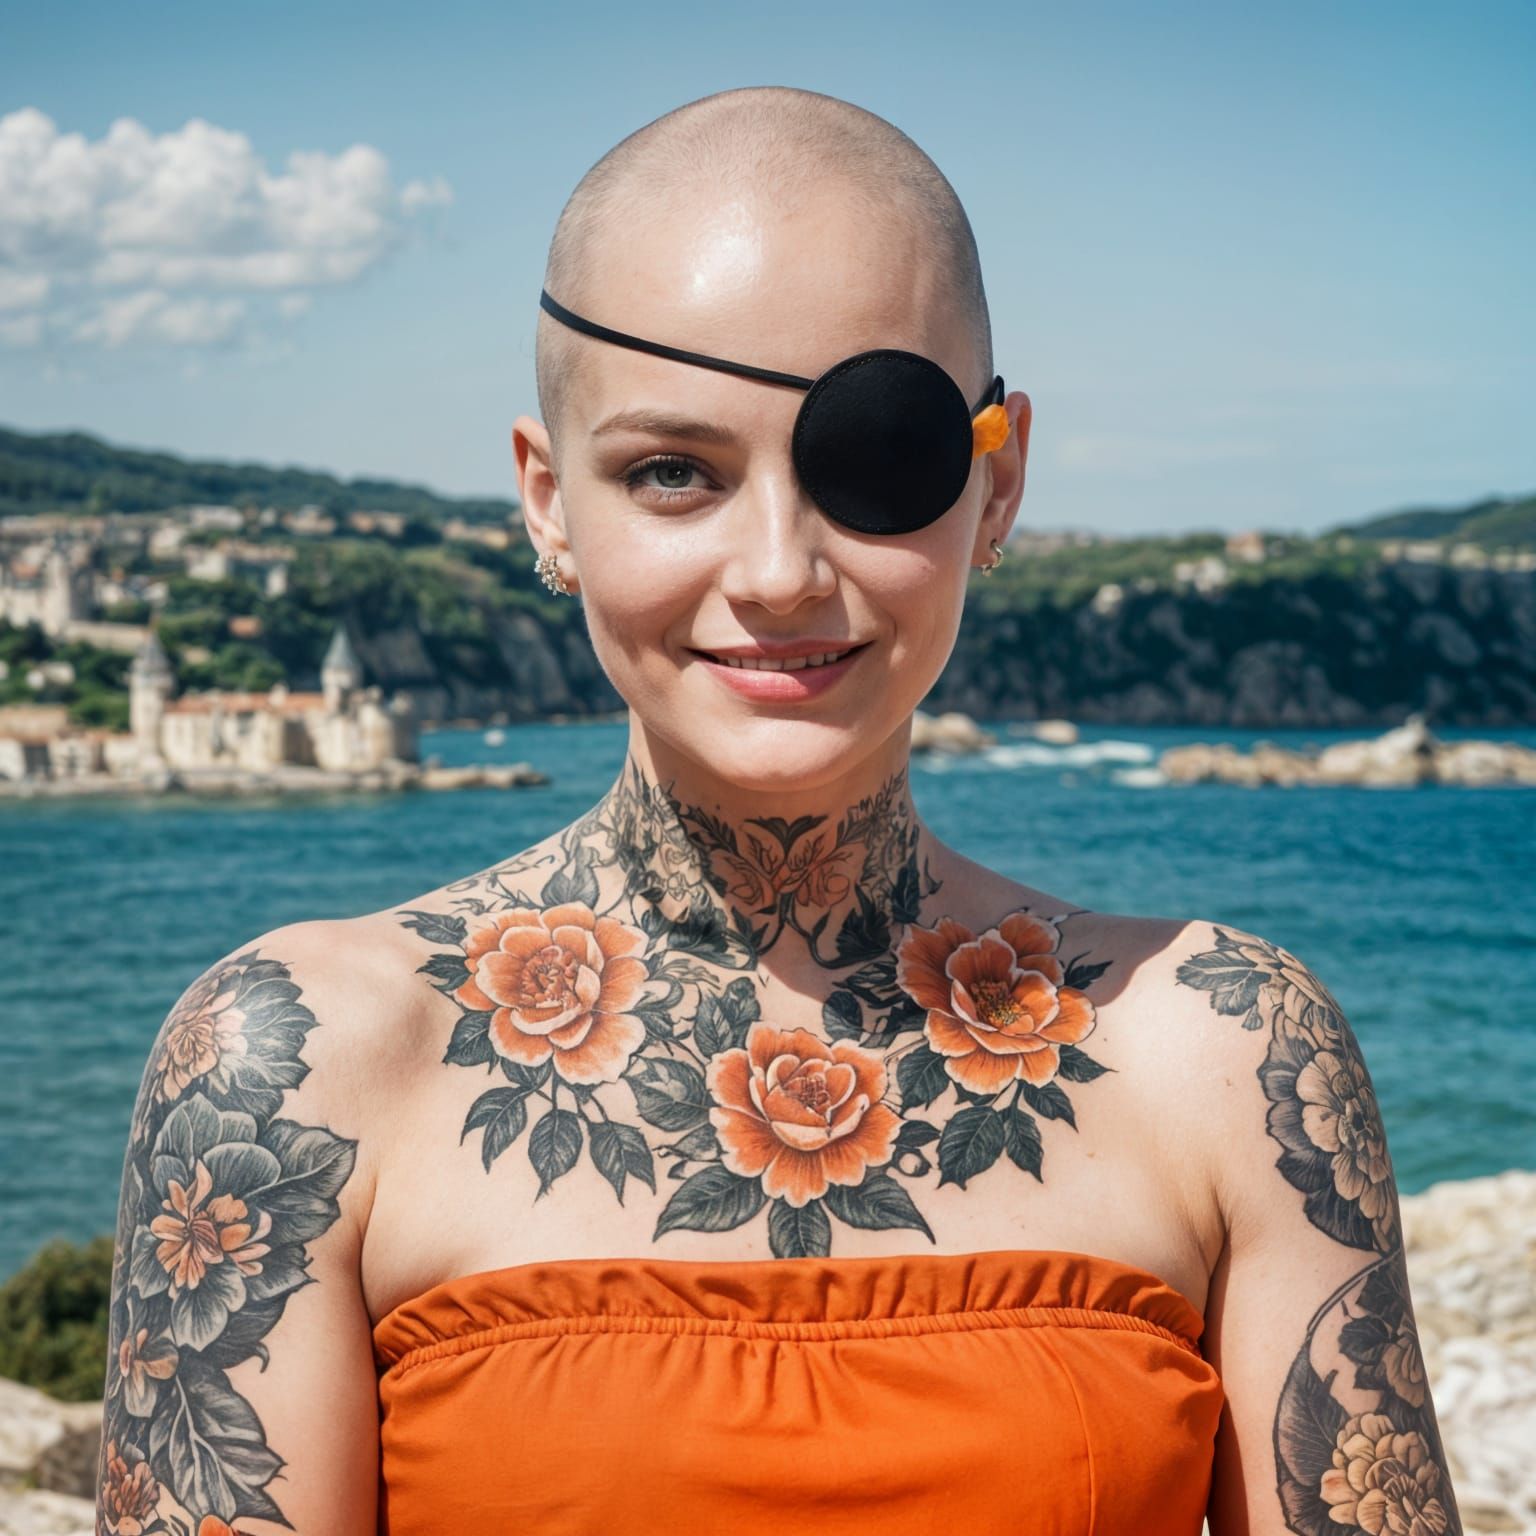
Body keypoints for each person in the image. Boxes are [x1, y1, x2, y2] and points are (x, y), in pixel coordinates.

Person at [95, 87, 1461, 1536]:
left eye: (874, 465)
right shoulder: (295, 1069)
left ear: (995, 486)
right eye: (672, 472)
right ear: (548, 502)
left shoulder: (1233, 1053)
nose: (779, 570)